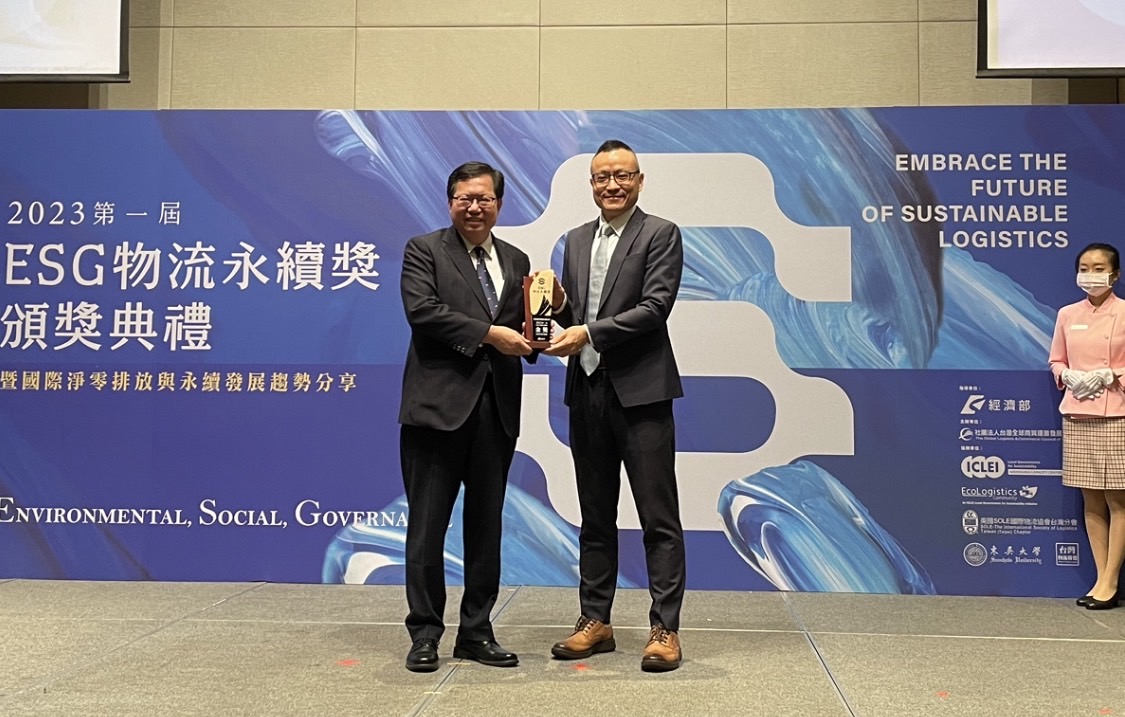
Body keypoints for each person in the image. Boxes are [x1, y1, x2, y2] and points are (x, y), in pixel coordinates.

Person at [543, 139, 687, 671]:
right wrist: (560, 306)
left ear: (639, 180)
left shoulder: (660, 233)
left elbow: (655, 308)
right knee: (595, 516)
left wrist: (585, 330)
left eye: (623, 175)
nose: (612, 184)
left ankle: (665, 628)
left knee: (658, 518)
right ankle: (595, 620)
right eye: (603, 176)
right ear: (591, 184)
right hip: (587, 391)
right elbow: (578, 314)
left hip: (641, 393)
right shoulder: (577, 239)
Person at [398, 161, 533, 671]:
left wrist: (552, 317)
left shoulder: (517, 260)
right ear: (450, 202)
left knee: (486, 528)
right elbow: (423, 312)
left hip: (496, 412)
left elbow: (527, 327)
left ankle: (476, 631)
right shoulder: (424, 250)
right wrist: (489, 335)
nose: (474, 207)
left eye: (484, 199)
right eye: (464, 198)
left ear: (499, 203)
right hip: (436, 412)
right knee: (427, 529)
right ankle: (425, 633)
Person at [1048, 242, 1125, 610]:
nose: (1090, 275)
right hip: (1078, 413)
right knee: (1091, 500)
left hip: (1117, 414)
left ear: (1115, 274)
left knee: (1117, 500)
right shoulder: (1067, 314)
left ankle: (1111, 580)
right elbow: (1056, 360)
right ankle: (1099, 577)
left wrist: (1112, 374)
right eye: (1084, 268)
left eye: (1098, 268)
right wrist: (1068, 376)